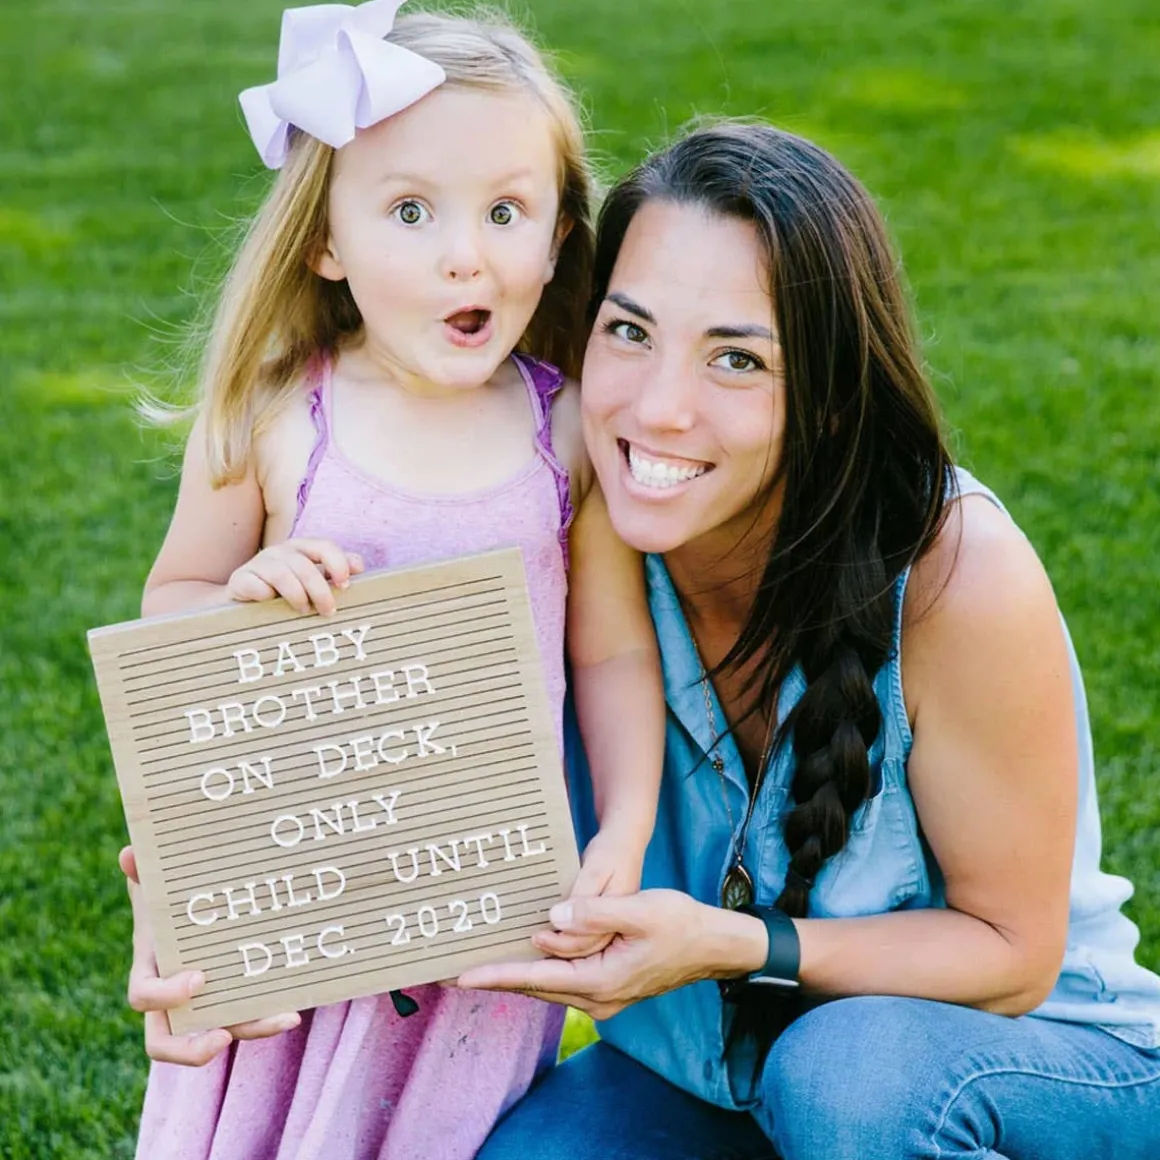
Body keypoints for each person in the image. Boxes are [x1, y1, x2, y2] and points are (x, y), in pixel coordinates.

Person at [463, 121, 1160, 1159]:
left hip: (1024, 1053)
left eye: (735, 358)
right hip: (712, 1076)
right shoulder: (544, 529)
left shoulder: (951, 572)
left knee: (844, 1086)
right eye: (628, 330)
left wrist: (730, 944)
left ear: (831, 398)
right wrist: (197, 934)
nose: (657, 408)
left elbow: (1012, 953)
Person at [120, 3, 664, 1157]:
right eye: (410, 211)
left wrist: (620, 822)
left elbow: (609, 651)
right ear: (327, 239)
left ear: (561, 235)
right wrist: (242, 595)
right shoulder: (272, 414)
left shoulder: (561, 429)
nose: (463, 252)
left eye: (504, 211)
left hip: (467, 914)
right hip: (295, 887)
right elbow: (172, 604)